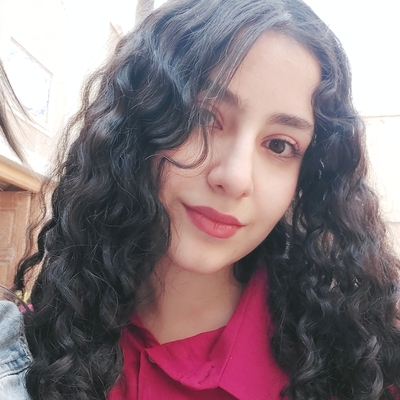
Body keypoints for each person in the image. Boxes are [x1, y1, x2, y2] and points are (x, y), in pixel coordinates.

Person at [8, 0, 400, 399]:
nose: (235, 178)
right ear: (136, 125)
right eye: (203, 118)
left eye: (280, 145)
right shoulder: (31, 349)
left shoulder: (361, 365)